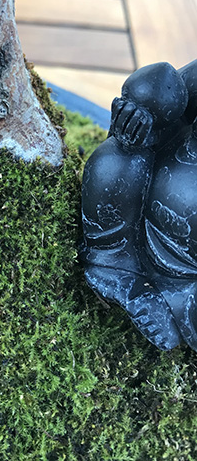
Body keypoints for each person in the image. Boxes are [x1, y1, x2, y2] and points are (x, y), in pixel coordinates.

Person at [81, 59, 197, 350]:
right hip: (146, 212)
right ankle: (113, 262)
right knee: (118, 157)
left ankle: (172, 299)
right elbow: (166, 90)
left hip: (190, 272)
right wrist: (138, 117)